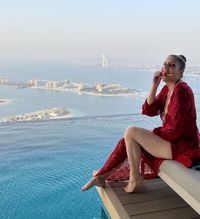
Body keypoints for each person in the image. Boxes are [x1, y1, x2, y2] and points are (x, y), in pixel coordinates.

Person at [81, 54, 200, 193]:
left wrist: (151, 136)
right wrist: (154, 85)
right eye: (165, 64)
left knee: (131, 132)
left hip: (181, 145)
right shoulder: (167, 89)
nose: (166, 68)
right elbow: (149, 110)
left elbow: (176, 130)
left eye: (172, 65)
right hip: (171, 141)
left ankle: (134, 176)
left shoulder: (182, 91)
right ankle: (102, 176)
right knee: (127, 140)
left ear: (181, 72)